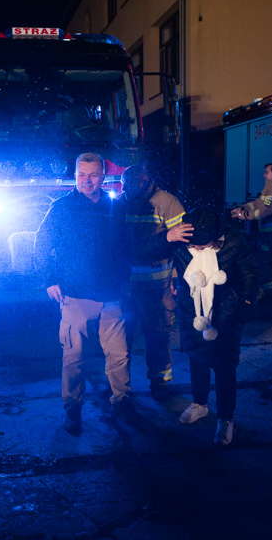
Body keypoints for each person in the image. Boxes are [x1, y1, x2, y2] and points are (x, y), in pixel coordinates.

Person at [34, 152, 134, 436]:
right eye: (81, 175)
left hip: (111, 295)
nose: (86, 181)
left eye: (92, 175)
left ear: (103, 176)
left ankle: (123, 401)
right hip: (76, 295)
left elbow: (125, 246)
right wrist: (49, 278)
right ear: (75, 175)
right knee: (74, 357)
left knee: (118, 355)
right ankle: (73, 409)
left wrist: (125, 279)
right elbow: (41, 244)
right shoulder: (62, 208)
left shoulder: (115, 207)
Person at [156, 207, 259, 446]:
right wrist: (166, 236)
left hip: (226, 310)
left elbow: (249, 273)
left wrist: (245, 301)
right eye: (195, 245)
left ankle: (225, 419)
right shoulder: (180, 240)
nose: (198, 249)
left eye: (203, 245)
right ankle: (199, 404)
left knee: (224, 365)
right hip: (191, 310)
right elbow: (145, 250)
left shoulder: (235, 241)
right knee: (196, 358)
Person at [119, 164, 185, 401]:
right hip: (125, 288)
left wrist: (177, 280)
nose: (125, 191)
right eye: (124, 186)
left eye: (130, 187)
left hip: (158, 287)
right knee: (119, 339)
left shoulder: (167, 203)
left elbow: (182, 245)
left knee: (158, 335)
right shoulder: (122, 201)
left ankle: (161, 382)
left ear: (146, 183)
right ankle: (119, 386)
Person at [231, 162, 272, 303]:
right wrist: (242, 208)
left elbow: (267, 210)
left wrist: (246, 215)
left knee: (261, 260)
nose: (264, 175)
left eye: (267, 172)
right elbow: (260, 203)